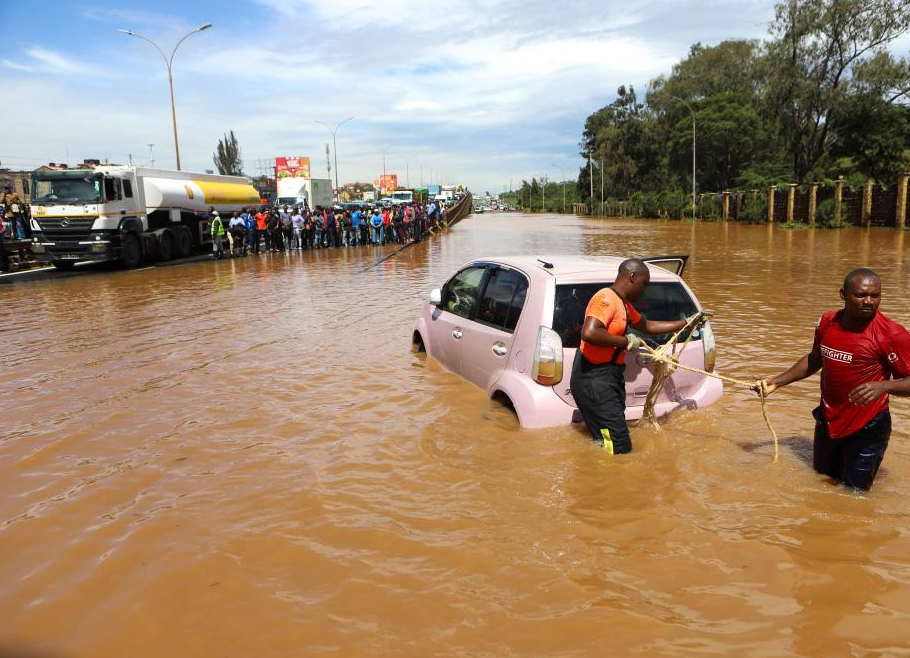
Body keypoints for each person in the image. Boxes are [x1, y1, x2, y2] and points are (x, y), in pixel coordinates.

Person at [756, 269, 910, 490]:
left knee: (854, 495)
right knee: (821, 483)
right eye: (860, 295)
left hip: (867, 425)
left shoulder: (892, 334)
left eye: (875, 296)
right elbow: (816, 358)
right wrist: (777, 382)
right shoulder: (828, 322)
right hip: (828, 420)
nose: (869, 301)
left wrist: (885, 386)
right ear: (843, 294)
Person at [571, 258, 703, 454]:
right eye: (644, 284)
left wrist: (687, 323)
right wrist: (626, 341)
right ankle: (607, 478)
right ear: (632, 277)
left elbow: (648, 326)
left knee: (605, 437)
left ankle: (597, 470)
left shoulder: (624, 305)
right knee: (620, 446)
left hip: (607, 377)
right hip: (594, 379)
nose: (644, 290)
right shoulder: (606, 299)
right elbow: (589, 333)